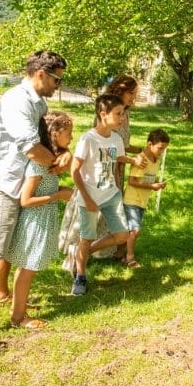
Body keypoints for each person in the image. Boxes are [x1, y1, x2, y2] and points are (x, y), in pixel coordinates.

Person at [0, 50, 70, 347]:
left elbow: (46, 140)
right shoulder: (16, 100)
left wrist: (63, 152)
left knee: (6, 249)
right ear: (41, 74)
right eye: (57, 78)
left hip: (19, 184)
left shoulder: (38, 102)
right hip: (4, 186)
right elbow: (31, 148)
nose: (59, 84)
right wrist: (56, 165)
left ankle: (1, 297)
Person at [59, 74, 144, 260]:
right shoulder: (104, 117)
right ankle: (80, 252)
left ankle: (95, 251)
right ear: (121, 91)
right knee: (90, 210)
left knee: (109, 212)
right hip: (100, 171)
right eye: (131, 93)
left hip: (114, 171)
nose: (134, 98)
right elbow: (101, 145)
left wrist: (137, 151)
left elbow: (119, 144)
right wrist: (128, 160)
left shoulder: (124, 114)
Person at [4, 111, 74, 329]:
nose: (71, 137)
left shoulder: (50, 159)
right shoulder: (38, 165)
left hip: (44, 217)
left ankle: (19, 306)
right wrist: (57, 196)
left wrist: (60, 189)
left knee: (29, 267)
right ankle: (18, 318)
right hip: (35, 221)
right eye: (69, 133)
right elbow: (25, 200)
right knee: (28, 268)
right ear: (55, 133)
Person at [70, 94, 145, 295]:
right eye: (118, 113)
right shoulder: (88, 139)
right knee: (86, 237)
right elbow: (74, 170)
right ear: (103, 115)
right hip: (90, 197)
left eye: (123, 113)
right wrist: (87, 198)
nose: (122, 118)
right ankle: (80, 276)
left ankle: (82, 253)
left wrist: (133, 162)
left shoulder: (116, 138)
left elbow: (117, 157)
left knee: (121, 235)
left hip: (111, 194)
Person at [120, 129, 171, 268]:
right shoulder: (141, 159)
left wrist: (157, 185)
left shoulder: (157, 160)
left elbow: (149, 180)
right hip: (131, 200)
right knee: (135, 230)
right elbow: (132, 181)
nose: (161, 152)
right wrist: (152, 186)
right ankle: (130, 258)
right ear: (149, 144)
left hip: (142, 201)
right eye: (160, 148)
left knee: (132, 232)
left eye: (164, 149)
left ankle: (122, 254)